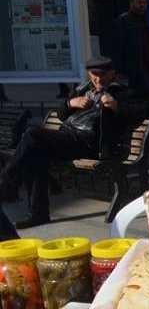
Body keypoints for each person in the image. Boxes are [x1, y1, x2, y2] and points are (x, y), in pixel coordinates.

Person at [0, 57, 130, 227]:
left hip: (91, 144)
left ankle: (6, 182)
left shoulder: (121, 92)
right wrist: (71, 103)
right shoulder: (83, 89)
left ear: (112, 73)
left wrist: (116, 107)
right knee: (36, 152)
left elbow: (140, 111)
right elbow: (61, 114)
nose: (97, 79)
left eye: (102, 74)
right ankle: (38, 214)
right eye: (93, 74)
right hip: (70, 138)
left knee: (32, 134)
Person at [109, 0, 149, 101]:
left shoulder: (143, 21)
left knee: (144, 98)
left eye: (145, 3)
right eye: (139, 2)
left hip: (145, 68)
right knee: (141, 98)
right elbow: (117, 48)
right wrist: (118, 70)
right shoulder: (123, 21)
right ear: (131, 3)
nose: (142, 5)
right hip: (133, 70)